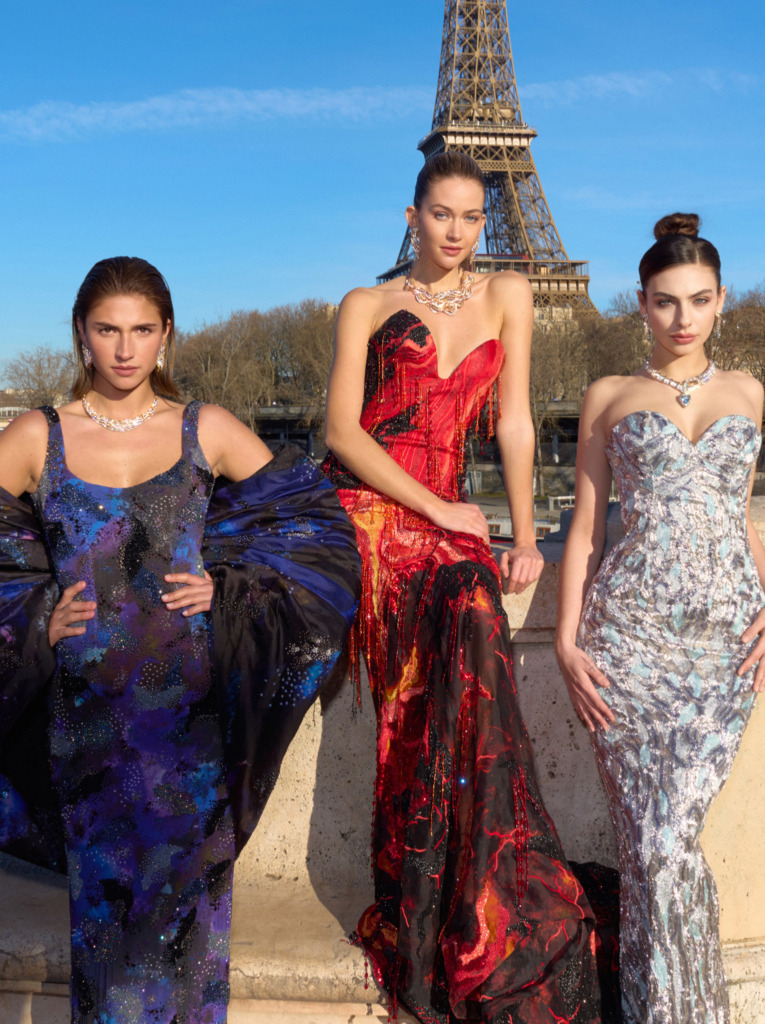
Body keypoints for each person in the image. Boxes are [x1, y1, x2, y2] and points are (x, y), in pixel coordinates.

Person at [0, 256, 361, 1023]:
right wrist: (36, 613)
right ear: (81, 335)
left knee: (189, 948)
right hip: (87, 729)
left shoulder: (209, 428)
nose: (125, 349)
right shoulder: (38, 435)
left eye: (141, 330)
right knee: (106, 948)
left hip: (187, 729)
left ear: (166, 335)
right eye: (107, 330)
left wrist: (229, 590)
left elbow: (312, 532)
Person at [323, 152, 600, 1024]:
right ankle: (439, 891)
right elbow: (339, 433)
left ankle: (475, 893)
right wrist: (441, 506)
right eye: (440, 213)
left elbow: (513, 421)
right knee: (444, 647)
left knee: (477, 610)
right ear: (411, 216)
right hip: (376, 510)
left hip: (452, 516)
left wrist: (522, 534)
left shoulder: (509, 292)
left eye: (472, 216)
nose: (456, 230)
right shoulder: (364, 305)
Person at [555, 213, 765, 1024]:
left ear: (721, 304)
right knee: (649, 850)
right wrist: (569, 642)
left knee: (666, 842)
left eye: (699, 300)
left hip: (721, 649)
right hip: (627, 643)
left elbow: (745, 519)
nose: (682, 318)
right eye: (665, 302)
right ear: (638, 305)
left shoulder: (750, 392)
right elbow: (583, 528)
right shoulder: (607, 395)